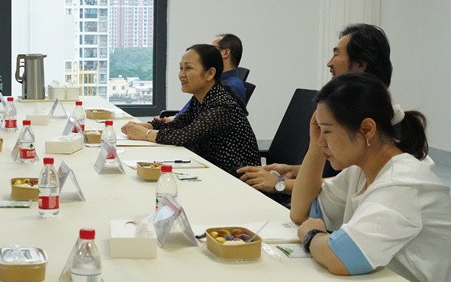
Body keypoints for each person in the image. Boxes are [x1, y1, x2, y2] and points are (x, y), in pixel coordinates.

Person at [289, 73, 451, 282]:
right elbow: (301, 211)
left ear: (367, 129)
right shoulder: (361, 170)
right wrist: (315, 145)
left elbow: (342, 257)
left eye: (328, 131)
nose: (321, 140)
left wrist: (312, 235)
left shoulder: (403, 181)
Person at [237, 23, 393, 195]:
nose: (329, 63)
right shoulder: (353, 110)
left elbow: (343, 184)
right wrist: (292, 170)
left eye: (336, 54)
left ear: (360, 64)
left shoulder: (374, 122)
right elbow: (341, 176)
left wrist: (279, 183)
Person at [120, 44, 260, 175]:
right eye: (181, 68)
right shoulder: (200, 98)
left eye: (188, 68)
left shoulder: (222, 104)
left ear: (210, 74)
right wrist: (144, 126)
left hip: (236, 176)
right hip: (210, 167)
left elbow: (185, 136)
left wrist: (145, 134)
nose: (181, 74)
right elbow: (178, 124)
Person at [211, 33, 247, 105]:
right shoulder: (215, 82)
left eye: (212, 49)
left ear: (225, 53)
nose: (207, 54)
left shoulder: (231, 87)